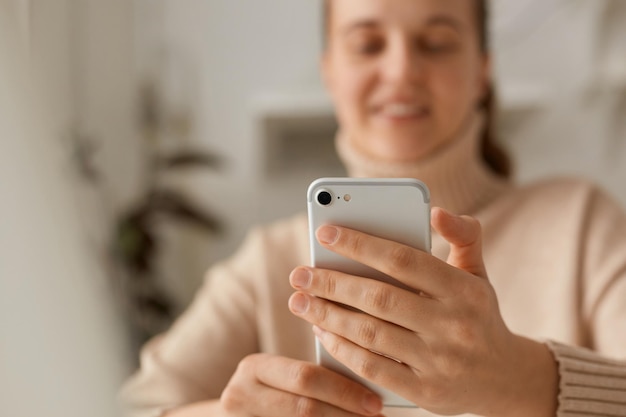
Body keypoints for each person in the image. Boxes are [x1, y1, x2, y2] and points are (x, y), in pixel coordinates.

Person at [120, 0, 626, 416]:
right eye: (367, 44)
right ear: (330, 74)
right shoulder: (266, 263)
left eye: (437, 43)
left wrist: (522, 378)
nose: (402, 69)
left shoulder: (584, 224)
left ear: (482, 73)